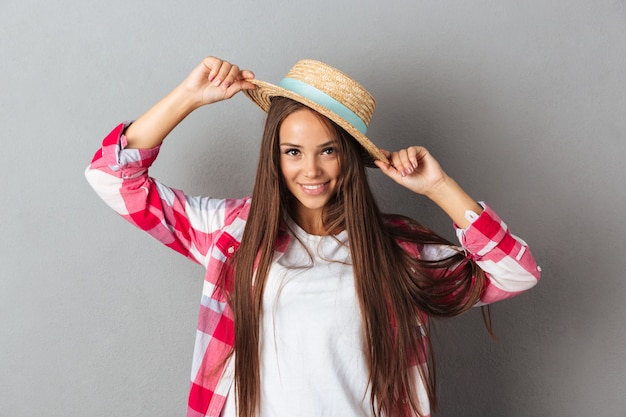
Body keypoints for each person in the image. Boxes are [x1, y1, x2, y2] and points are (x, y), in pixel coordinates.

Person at [85, 56, 540, 417]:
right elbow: (111, 176)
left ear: (348, 157)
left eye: (327, 150)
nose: (311, 170)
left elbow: (517, 273)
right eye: (293, 152)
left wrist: (438, 187)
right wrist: (187, 97)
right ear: (275, 157)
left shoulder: (396, 254)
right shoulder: (233, 235)